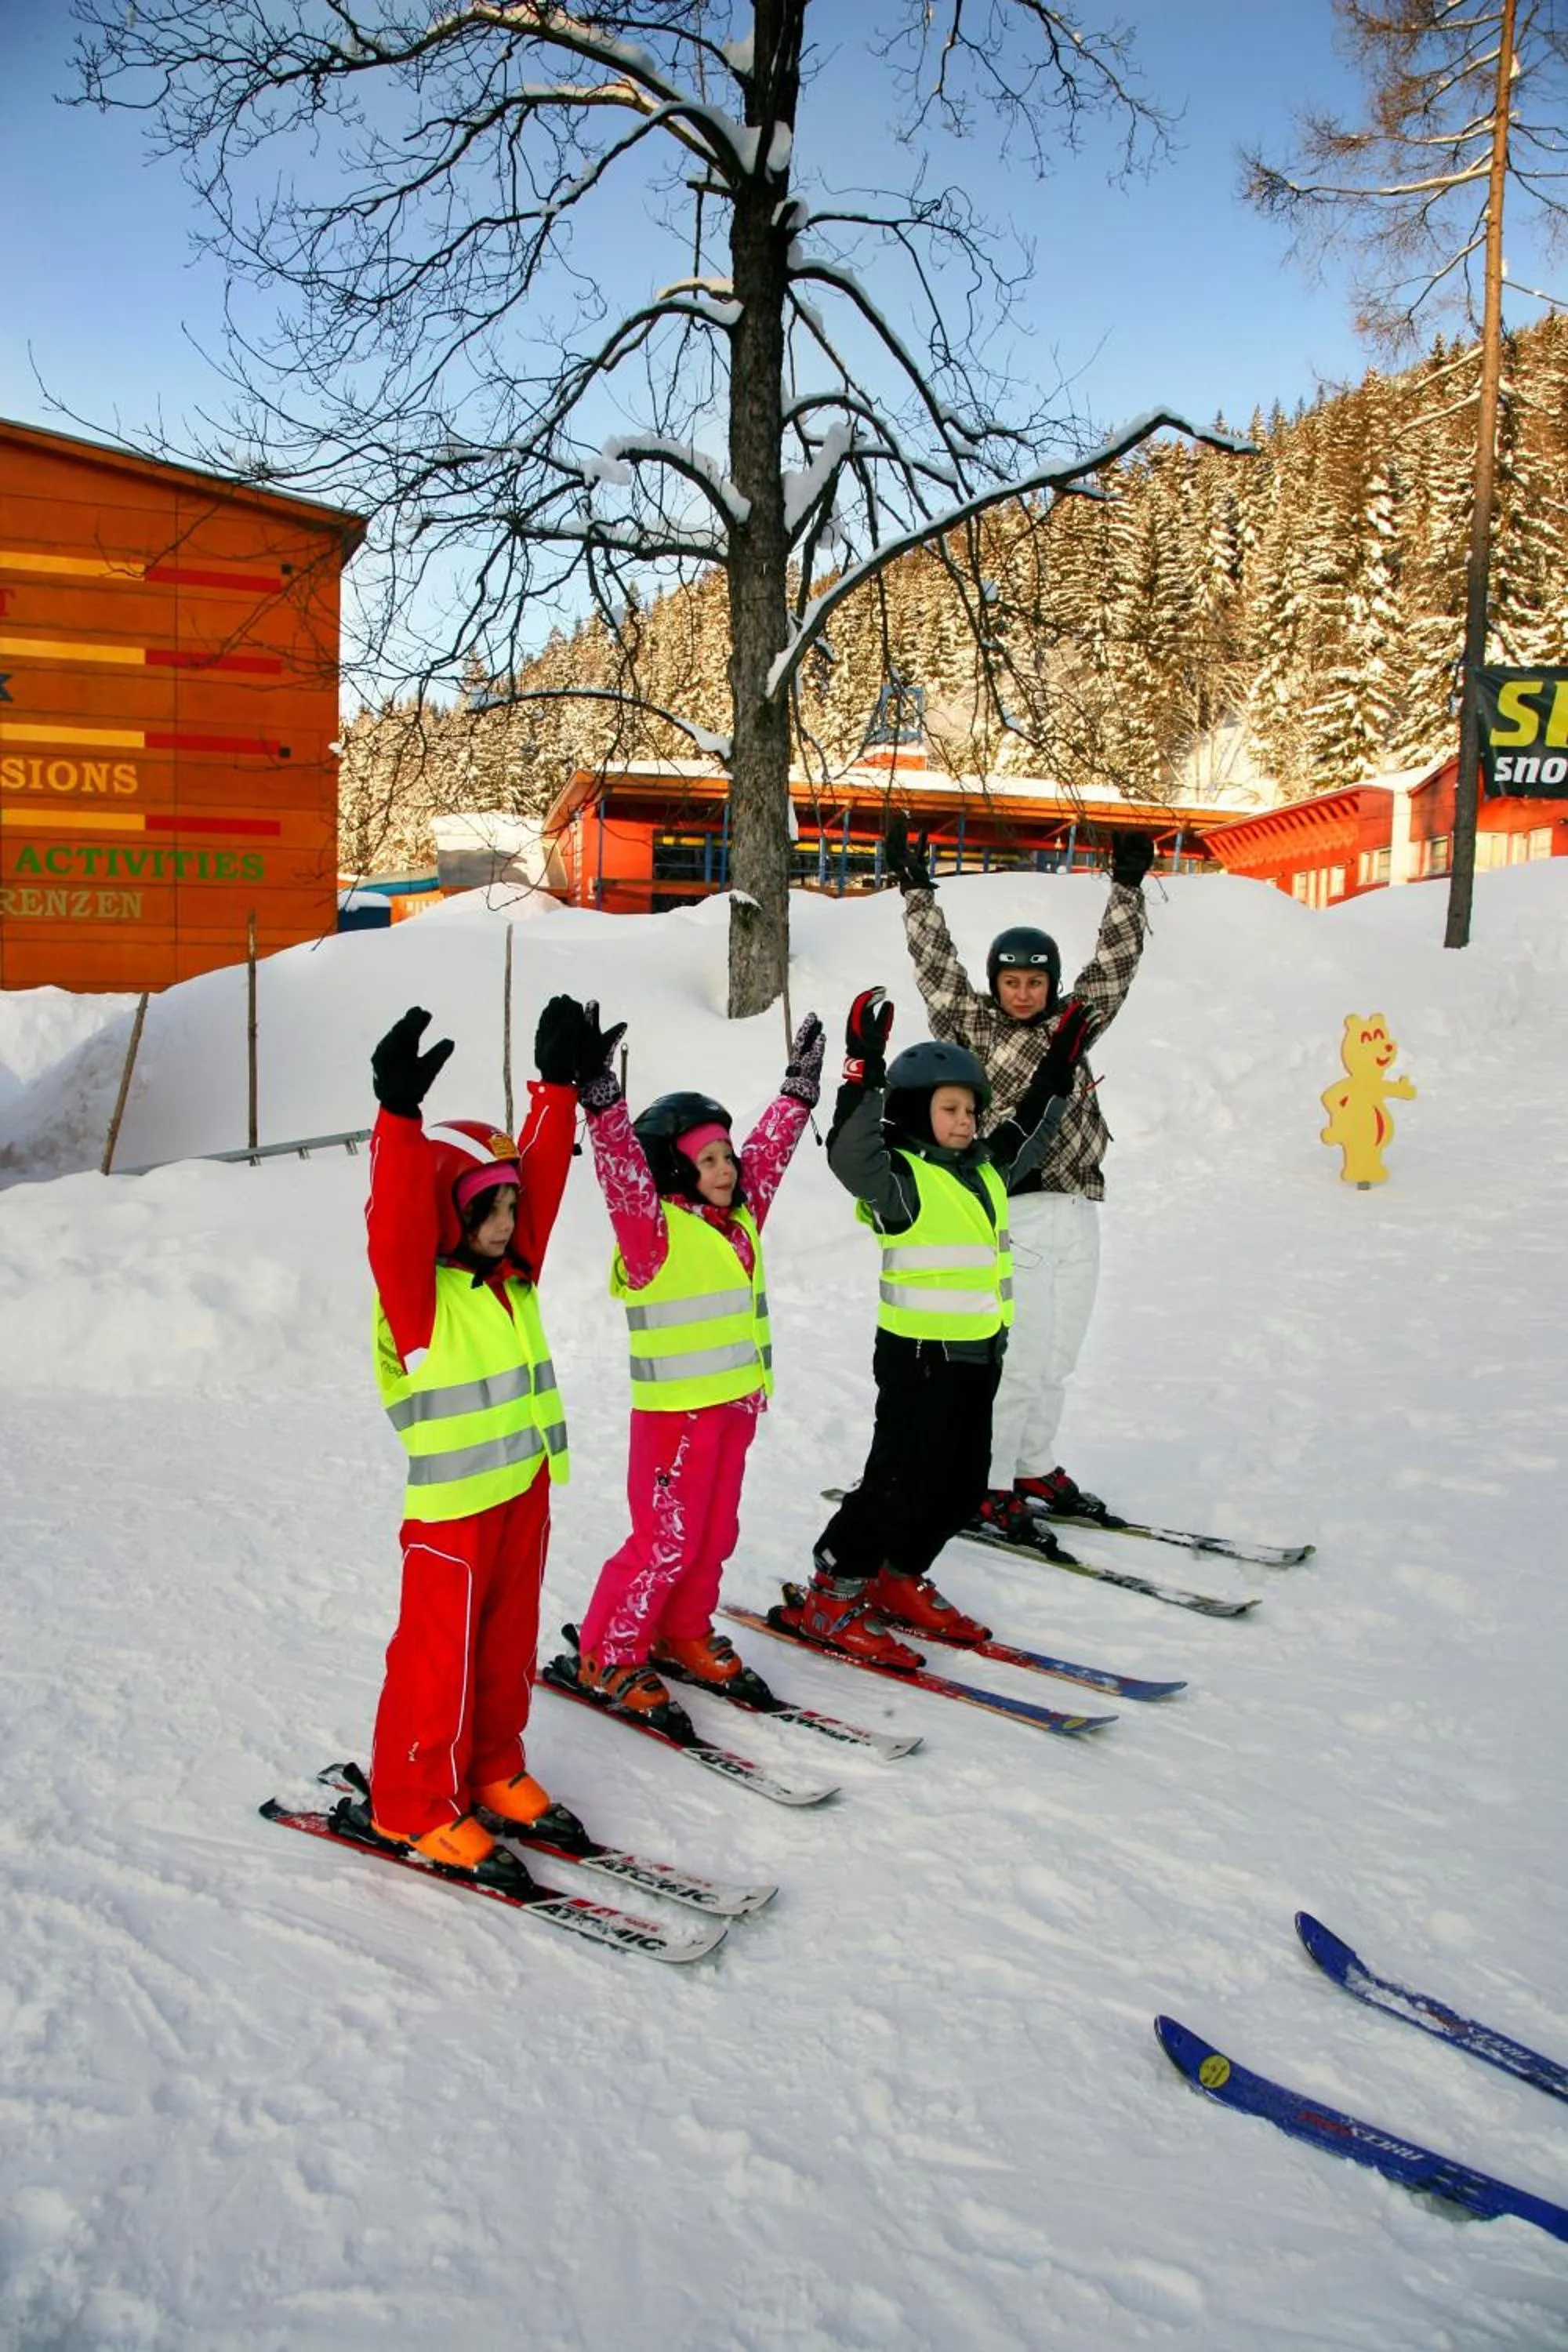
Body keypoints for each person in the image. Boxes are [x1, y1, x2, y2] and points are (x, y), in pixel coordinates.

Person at [786, 987, 1087, 1663]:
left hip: (979, 1355)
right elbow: (848, 1156)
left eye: (971, 1109)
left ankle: (897, 1577)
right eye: (950, 1109)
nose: (966, 1120)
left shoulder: (984, 1170)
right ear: (916, 1112)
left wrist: (1061, 1063)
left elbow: (1034, 1124)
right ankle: (833, 1590)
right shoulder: (901, 1180)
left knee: (961, 1486)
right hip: (918, 1358)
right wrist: (864, 1063)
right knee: (899, 1482)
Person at [550, 995, 824, 1719]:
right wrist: (603, 1105)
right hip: (674, 1419)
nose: (727, 1167)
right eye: (706, 1159)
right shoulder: (655, 1234)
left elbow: (767, 1153)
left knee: (712, 1536)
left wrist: (797, 1092)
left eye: (725, 1155)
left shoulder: (736, 1220)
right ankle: (610, 1650)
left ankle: (682, 1631)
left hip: (734, 1408)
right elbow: (620, 1178)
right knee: (663, 1542)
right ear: (673, 1169)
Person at [883, 813, 1154, 1535]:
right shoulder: (972, 1028)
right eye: (1013, 980)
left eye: (1036, 982)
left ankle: (1034, 1461)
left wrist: (1127, 887)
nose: (1024, 993)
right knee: (1023, 1355)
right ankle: (988, 1480)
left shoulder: (1074, 1025)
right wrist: (917, 893)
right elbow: (936, 970)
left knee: (1061, 1352)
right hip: (1019, 1209)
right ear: (996, 982)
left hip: (1078, 1206)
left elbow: (1116, 968)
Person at [361, 1000, 580, 1875]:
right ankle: (413, 1803)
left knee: (504, 1645)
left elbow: (543, 1189)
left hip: (521, 1488)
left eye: (508, 1205)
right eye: (484, 1207)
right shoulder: (419, 1297)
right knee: (436, 1661)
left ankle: (489, 1765)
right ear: (451, 1215)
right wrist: (399, 1119)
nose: (503, 1221)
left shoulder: (511, 1280)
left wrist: (556, 1093)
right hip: (452, 1510)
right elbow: (397, 1223)